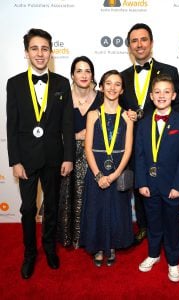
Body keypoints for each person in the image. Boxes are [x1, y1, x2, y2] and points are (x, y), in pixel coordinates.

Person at [6, 28, 74, 279]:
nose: (40, 53)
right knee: (27, 209)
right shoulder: (13, 83)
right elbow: (11, 126)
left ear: (51, 52)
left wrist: (68, 156)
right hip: (26, 159)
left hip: (54, 158)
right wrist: (15, 161)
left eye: (45, 48)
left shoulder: (61, 83)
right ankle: (29, 253)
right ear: (26, 52)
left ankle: (49, 248)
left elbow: (67, 124)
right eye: (34, 48)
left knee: (52, 207)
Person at [120, 23, 179, 245]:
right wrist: (126, 115)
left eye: (143, 39)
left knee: (167, 187)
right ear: (130, 46)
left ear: (151, 43)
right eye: (134, 41)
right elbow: (119, 107)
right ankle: (145, 227)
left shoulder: (169, 70)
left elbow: (178, 104)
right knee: (141, 187)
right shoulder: (122, 76)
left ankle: (168, 231)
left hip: (165, 140)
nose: (139, 44)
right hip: (137, 142)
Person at [134, 74, 179, 282]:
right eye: (157, 92)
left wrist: (178, 186)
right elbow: (139, 155)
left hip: (171, 187)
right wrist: (141, 182)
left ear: (174, 95)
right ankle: (153, 254)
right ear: (150, 96)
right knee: (153, 222)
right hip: (149, 185)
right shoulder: (143, 123)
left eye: (166, 92)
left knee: (172, 225)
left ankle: (174, 261)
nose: (161, 96)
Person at [80, 70, 134, 267]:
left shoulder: (127, 117)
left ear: (122, 90)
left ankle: (111, 246)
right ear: (101, 87)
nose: (112, 87)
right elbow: (87, 147)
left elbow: (128, 149)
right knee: (97, 208)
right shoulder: (93, 114)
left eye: (117, 84)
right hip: (97, 167)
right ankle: (97, 246)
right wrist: (98, 175)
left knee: (116, 208)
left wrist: (114, 175)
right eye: (108, 83)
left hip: (118, 168)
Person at [57, 56, 101, 248]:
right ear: (72, 75)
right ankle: (68, 237)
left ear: (92, 75)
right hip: (67, 153)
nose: (83, 75)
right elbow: (52, 127)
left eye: (88, 71)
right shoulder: (62, 96)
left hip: (93, 154)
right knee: (67, 195)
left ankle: (88, 236)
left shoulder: (102, 96)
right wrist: (75, 137)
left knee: (89, 196)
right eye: (79, 71)